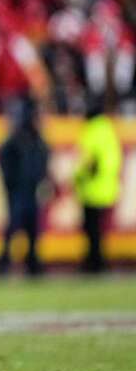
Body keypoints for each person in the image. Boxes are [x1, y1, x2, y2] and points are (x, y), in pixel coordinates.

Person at [0, 97, 50, 276]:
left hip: (31, 191)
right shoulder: (18, 139)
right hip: (18, 192)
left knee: (32, 231)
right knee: (13, 228)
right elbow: (6, 162)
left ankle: (32, 265)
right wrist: (10, 183)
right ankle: (4, 265)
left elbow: (43, 161)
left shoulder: (35, 140)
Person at [74, 98, 122, 274]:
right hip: (107, 188)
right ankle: (96, 262)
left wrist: (77, 178)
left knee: (92, 230)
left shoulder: (92, 130)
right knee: (98, 230)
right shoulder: (108, 129)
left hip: (92, 189)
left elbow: (89, 161)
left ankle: (95, 263)